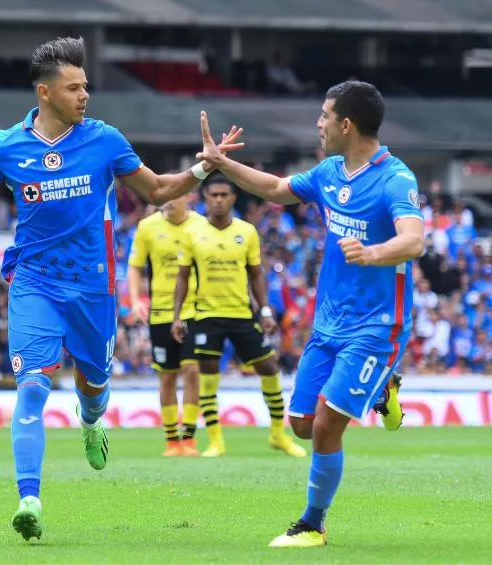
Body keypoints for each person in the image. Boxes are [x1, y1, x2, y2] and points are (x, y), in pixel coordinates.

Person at [0, 36, 243, 542]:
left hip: (94, 289)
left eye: (86, 86)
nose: (84, 95)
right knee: (32, 386)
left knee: (93, 387)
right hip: (33, 282)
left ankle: (91, 418)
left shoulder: (104, 140)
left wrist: (205, 166)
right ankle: (28, 498)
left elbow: (158, 190)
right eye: (73, 87)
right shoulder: (7, 145)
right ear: (45, 93)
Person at [195, 80, 424, 547]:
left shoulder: (395, 179)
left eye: (323, 115)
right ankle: (385, 388)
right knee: (301, 423)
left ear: (346, 124)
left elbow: (415, 240)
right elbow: (278, 189)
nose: (317, 124)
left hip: (378, 325)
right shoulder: (329, 172)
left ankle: (312, 524)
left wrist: (373, 252)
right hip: (329, 323)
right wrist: (222, 163)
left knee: (324, 426)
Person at [171, 176, 307, 459]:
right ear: (205, 199)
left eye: (224, 195)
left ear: (233, 199)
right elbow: (182, 277)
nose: (219, 200)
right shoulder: (192, 234)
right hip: (206, 316)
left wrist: (265, 310)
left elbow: (256, 274)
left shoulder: (247, 232)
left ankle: (278, 435)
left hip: (242, 314)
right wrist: (176, 316)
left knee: (269, 368)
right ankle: (216, 441)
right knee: (209, 377)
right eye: (214, 195)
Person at [127, 195, 205, 457]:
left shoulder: (200, 225)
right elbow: (135, 267)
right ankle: (172, 441)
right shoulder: (147, 227)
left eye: (176, 196)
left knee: (192, 370)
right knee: (167, 375)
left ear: (189, 197)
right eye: (165, 197)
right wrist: (137, 300)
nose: (169, 201)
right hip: (160, 312)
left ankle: (190, 438)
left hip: (194, 309)